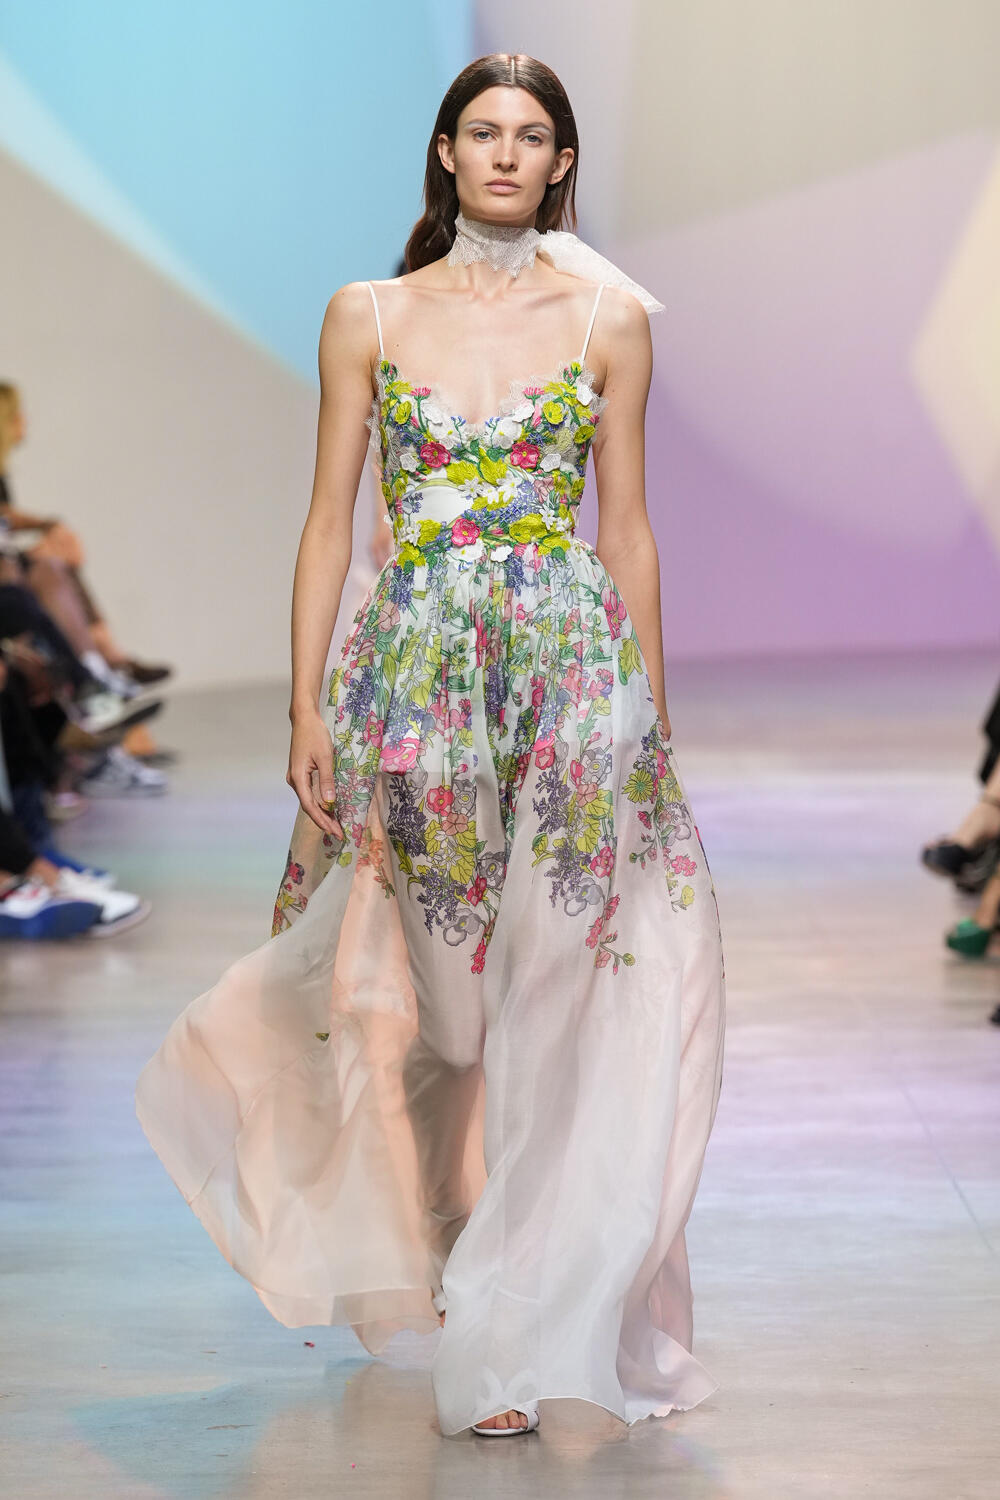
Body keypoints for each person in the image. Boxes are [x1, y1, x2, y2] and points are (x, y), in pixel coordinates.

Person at [135, 53, 727, 1440]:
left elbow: (628, 531)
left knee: (554, 1002)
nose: (506, 153)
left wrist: (648, 720)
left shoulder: (611, 322)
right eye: (483, 130)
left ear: (561, 162)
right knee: (446, 1023)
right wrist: (303, 705)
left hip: (570, 678)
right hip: (413, 682)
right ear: (446, 152)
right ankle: (451, 1255)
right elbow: (328, 521)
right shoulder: (369, 314)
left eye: (532, 135)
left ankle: (510, 1317)